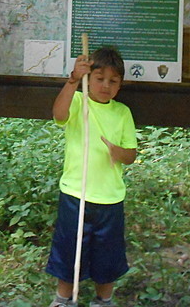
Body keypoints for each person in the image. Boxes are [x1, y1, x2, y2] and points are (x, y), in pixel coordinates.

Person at [45, 47, 138, 307]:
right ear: (89, 79)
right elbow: (59, 115)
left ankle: (104, 299)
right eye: (99, 78)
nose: (105, 86)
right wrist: (73, 80)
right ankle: (63, 298)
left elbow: (131, 155)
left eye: (113, 81)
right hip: (76, 193)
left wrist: (118, 152)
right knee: (69, 251)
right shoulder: (77, 101)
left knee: (107, 256)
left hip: (109, 197)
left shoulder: (122, 113)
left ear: (120, 85)